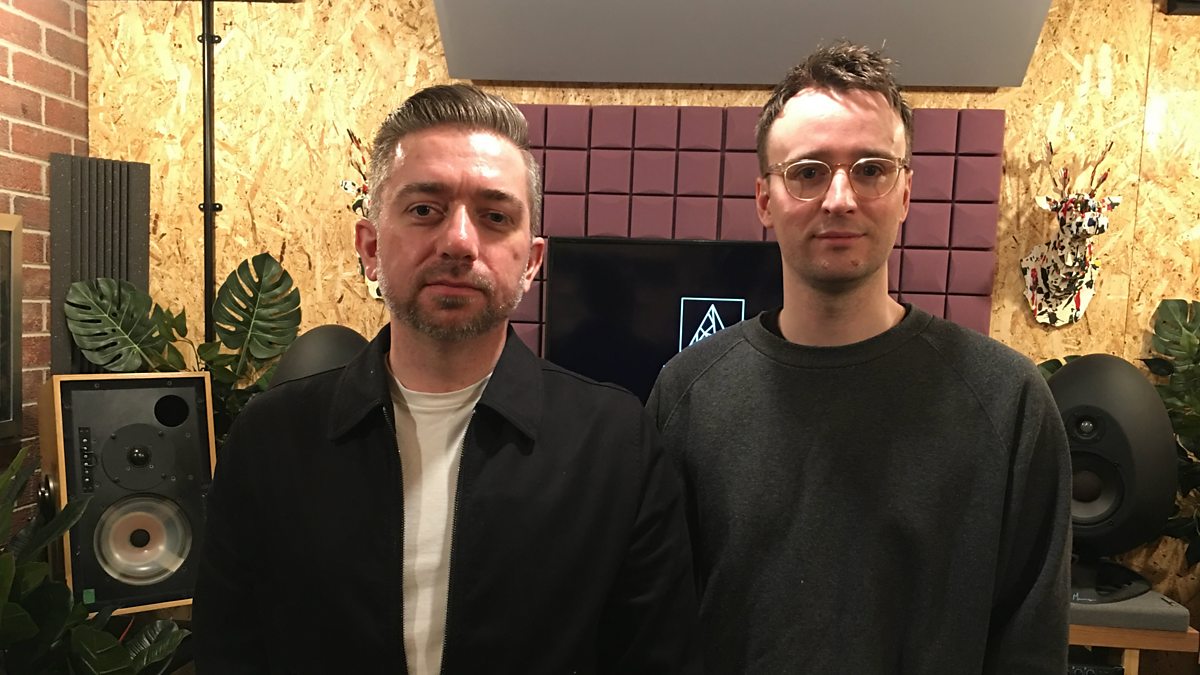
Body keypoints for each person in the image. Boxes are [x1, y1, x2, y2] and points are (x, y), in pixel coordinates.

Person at [194, 83, 697, 674]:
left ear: (531, 262)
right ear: (370, 247)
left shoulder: (615, 445)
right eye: (424, 210)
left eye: (494, 216)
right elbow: (229, 649)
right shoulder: (272, 439)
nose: (459, 241)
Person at [647, 43, 1071, 673]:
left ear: (906, 193)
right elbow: (658, 632)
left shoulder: (1006, 400)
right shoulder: (689, 394)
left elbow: (1030, 648)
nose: (840, 198)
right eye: (808, 171)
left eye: (871, 169)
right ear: (764, 200)